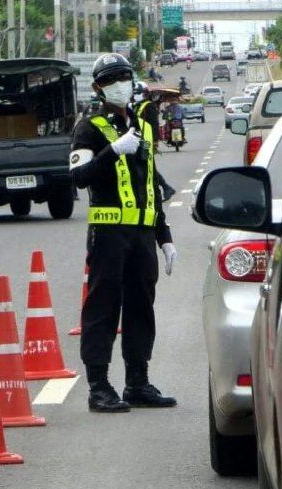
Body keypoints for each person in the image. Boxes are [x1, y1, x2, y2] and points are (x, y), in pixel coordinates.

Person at [69, 53, 178, 413]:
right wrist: (113, 151)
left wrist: (165, 237)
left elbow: (151, 186)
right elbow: (79, 177)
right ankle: (99, 386)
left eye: (125, 77)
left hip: (142, 236)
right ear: (99, 87)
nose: (121, 84)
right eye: (112, 79)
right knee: (103, 307)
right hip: (109, 233)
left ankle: (138, 382)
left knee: (140, 309)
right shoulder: (89, 127)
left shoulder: (144, 127)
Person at [133, 82, 177, 201]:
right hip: (138, 140)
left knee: (146, 166)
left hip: (146, 141)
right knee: (146, 166)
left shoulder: (149, 106)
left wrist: (155, 141)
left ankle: (164, 188)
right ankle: (166, 188)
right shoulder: (137, 106)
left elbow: (154, 124)